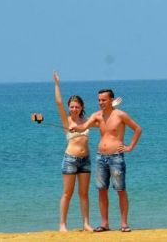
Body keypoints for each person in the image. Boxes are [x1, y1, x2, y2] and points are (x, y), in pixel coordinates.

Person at [71, 88, 142, 233]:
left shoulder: (120, 115)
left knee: (120, 190)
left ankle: (124, 224)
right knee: (101, 191)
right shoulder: (97, 116)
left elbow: (138, 129)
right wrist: (75, 128)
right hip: (100, 157)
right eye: (99, 100)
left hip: (116, 157)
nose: (100, 102)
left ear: (111, 100)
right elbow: (84, 126)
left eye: (103, 100)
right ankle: (105, 224)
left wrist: (129, 147)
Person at [53, 71, 93, 232]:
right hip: (70, 159)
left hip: (86, 160)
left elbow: (103, 117)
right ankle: (62, 225)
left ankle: (86, 224)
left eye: (77, 106)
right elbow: (59, 103)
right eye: (72, 107)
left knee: (84, 194)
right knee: (67, 193)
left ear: (82, 107)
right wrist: (57, 84)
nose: (74, 109)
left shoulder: (87, 121)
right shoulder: (66, 120)